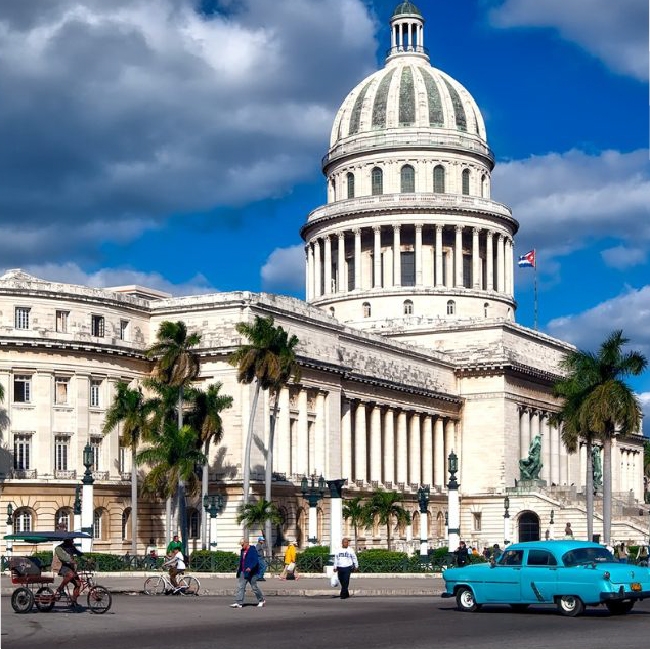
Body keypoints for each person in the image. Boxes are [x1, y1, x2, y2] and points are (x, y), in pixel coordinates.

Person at [230, 539, 265, 608]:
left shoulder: (252, 550)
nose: (241, 546)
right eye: (241, 544)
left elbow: (255, 560)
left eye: (242, 544)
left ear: (246, 543)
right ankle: (239, 602)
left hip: (252, 572)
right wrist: (239, 568)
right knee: (240, 587)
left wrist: (250, 567)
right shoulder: (242, 550)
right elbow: (242, 560)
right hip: (243, 571)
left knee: (254, 587)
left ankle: (261, 600)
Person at [54, 538, 83, 610]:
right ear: (66, 541)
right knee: (71, 575)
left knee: (78, 584)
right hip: (62, 567)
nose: (73, 541)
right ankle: (60, 589)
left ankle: (74, 602)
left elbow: (79, 554)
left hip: (71, 567)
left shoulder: (72, 547)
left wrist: (87, 559)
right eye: (71, 540)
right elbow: (62, 557)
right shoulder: (58, 548)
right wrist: (71, 560)